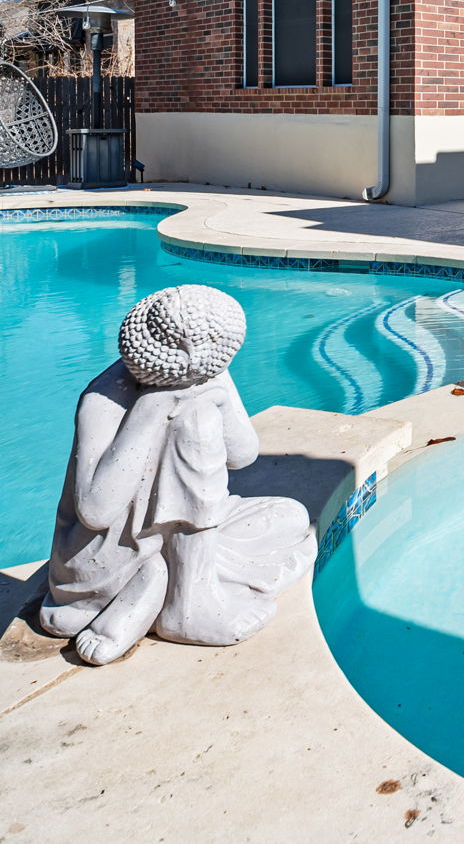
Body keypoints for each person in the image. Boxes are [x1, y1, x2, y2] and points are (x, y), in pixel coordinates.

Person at [37, 284, 313, 665]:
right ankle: (187, 604)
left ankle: (159, 583)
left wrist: (218, 387)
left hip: (169, 538)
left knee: (291, 515)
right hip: (105, 556)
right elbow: (96, 511)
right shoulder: (104, 398)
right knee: (194, 422)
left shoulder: (205, 377)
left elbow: (243, 455)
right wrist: (151, 411)